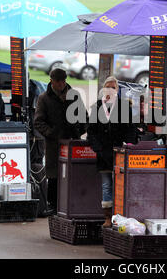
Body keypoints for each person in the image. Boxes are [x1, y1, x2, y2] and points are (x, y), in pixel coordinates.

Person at [33, 68, 87, 214]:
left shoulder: (74, 96)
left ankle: (72, 205)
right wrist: (51, 133)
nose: (61, 84)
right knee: (54, 176)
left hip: (72, 143)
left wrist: (79, 130)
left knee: (73, 175)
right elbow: (38, 121)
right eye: (58, 81)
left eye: (63, 81)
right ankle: (53, 205)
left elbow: (84, 117)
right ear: (52, 81)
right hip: (53, 144)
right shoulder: (44, 98)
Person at [87, 76, 136, 228]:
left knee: (122, 185)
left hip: (121, 154)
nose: (110, 90)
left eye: (113, 88)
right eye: (107, 87)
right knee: (107, 186)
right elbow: (91, 132)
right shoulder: (96, 107)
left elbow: (131, 129)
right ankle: (108, 218)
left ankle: (121, 216)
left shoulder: (124, 107)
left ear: (117, 91)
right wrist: (98, 149)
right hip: (104, 155)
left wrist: (127, 145)